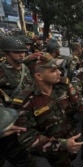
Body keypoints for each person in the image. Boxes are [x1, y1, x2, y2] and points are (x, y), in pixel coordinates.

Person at [13, 53, 83, 167]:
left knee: (72, 158)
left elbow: (79, 102)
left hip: (73, 137)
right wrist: (63, 144)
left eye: (58, 69)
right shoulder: (25, 101)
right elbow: (27, 137)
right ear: (39, 76)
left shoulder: (63, 85)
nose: (59, 72)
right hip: (53, 148)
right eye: (53, 71)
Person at [0, 36, 36, 167]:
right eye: (17, 52)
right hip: (8, 122)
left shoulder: (25, 68)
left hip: (25, 118)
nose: (22, 54)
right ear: (6, 53)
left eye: (24, 51)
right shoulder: (1, 71)